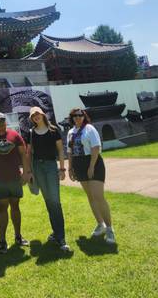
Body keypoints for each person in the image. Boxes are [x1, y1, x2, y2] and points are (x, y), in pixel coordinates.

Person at [0, 112, 31, 253]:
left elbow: (23, 154)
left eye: (2, 120)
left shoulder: (15, 136)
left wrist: (26, 173)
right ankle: (2, 241)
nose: (0, 123)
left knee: (15, 206)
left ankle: (18, 237)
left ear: (5, 121)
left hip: (15, 178)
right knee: (2, 208)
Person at [67, 108, 116, 245]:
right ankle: (100, 225)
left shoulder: (89, 129)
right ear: (71, 117)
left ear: (84, 116)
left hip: (93, 162)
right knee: (90, 196)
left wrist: (91, 166)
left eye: (80, 115)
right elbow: (69, 152)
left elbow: (96, 148)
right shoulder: (70, 132)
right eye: (74, 115)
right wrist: (70, 168)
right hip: (78, 164)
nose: (77, 117)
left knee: (98, 196)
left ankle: (110, 229)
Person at [27, 106, 71, 252]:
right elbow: (28, 153)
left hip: (51, 167)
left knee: (55, 201)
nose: (36, 117)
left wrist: (62, 168)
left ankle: (61, 237)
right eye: (33, 116)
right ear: (32, 118)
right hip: (38, 168)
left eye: (38, 114)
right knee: (48, 201)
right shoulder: (31, 133)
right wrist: (29, 172)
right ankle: (56, 233)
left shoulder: (53, 130)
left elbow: (60, 150)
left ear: (43, 115)